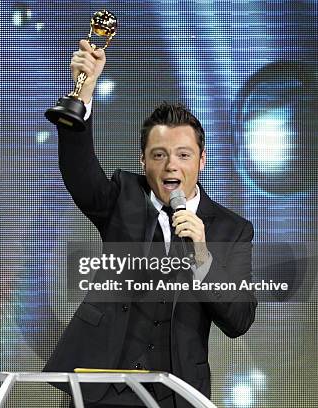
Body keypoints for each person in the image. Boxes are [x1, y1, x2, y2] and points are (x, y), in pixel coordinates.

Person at [44, 40, 257, 407]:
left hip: (175, 391)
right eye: (159, 155)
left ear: (202, 161)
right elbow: (79, 172)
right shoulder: (123, 195)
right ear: (144, 162)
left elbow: (239, 320)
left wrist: (204, 257)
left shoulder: (230, 229)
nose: (171, 165)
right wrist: (85, 91)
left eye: (183, 155)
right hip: (104, 385)